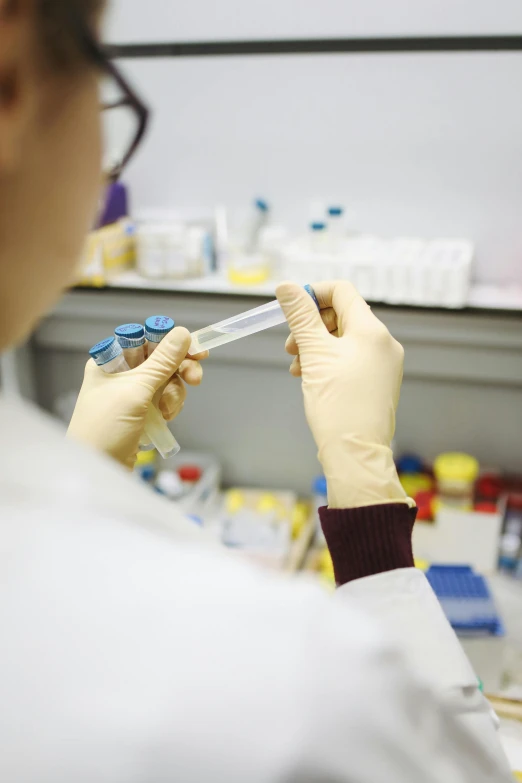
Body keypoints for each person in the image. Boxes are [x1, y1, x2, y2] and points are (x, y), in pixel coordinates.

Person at [0, 2, 513, 781]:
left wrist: (82, 468)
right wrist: (365, 474)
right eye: (105, 84)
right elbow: (453, 762)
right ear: (13, 88)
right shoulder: (280, 677)